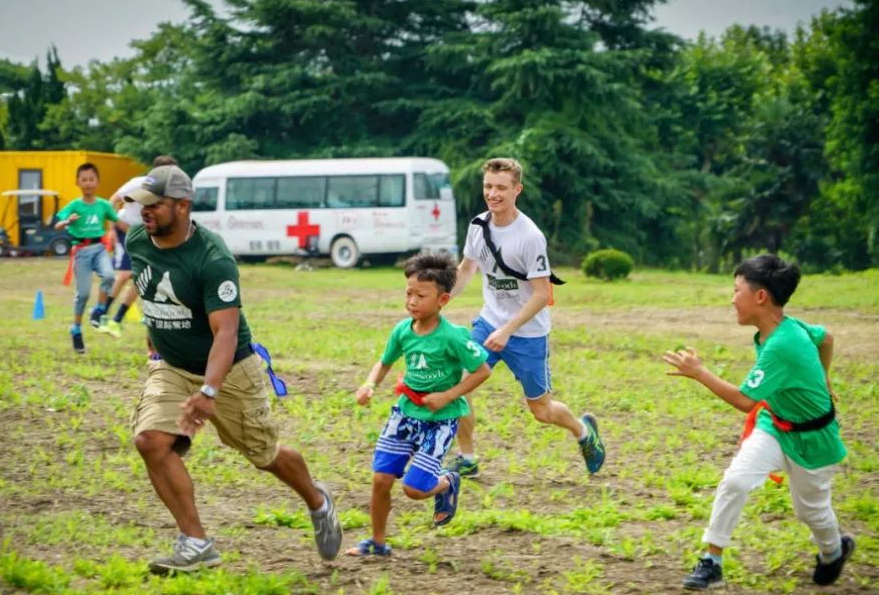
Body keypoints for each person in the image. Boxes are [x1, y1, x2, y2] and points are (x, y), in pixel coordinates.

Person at [125, 164, 342, 573]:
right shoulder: (138, 238)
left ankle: (317, 500)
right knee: (150, 441)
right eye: (142, 204)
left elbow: (224, 333)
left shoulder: (212, 257)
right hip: (171, 367)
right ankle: (196, 542)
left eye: (154, 205)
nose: (144, 212)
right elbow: (148, 289)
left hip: (230, 370)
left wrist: (209, 392)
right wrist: (152, 338)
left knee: (263, 454)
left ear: (183, 206)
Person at [663, 254, 853, 591]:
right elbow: (827, 339)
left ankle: (834, 551)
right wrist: (825, 377)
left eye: (737, 290)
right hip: (775, 425)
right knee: (736, 480)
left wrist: (700, 373)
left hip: (813, 438)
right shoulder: (788, 327)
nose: (732, 299)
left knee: (811, 512)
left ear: (760, 296)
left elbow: (744, 400)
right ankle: (712, 561)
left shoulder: (783, 344)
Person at [449, 157, 605, 478]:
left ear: (517, 190)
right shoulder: (478, 226)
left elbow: (541, 294)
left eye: (501, 188)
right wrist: (440, 300)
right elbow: (465, 270)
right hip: (488, 323)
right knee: (458, 386)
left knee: (542, 411)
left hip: (527, 334)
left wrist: (508, 330)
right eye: (488, 187)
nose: (493, 194)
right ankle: (467, 458)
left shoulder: (530, 236)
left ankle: (583, 432)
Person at [345, 253, 491, 557]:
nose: (412, 301)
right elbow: (383, 364)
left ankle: (447, 482)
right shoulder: (402, 330)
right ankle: (377, 542)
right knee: (381, 479)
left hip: (440, 421)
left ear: (443, 300)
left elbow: (482, 371)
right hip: (405, 414)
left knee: (413, 489)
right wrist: (369, 385)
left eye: (421, 296)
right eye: (408, 293)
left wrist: (448, 395)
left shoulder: (452, 336)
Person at [98, 155, 180, 339]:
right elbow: (111, 201)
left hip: (145, 234)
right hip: (124, 229)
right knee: (126, 273)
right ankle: (102, 311)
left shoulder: (169, 192)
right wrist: (114, 226)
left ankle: (116, 319)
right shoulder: (138, 184)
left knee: (142, 278)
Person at [54, 162, 119, 354]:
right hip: (81, 251)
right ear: (78, 182)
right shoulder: (74, 205)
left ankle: (98, 310)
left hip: (99, 248)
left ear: (97, 182)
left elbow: (118, 221)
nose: (88, 183)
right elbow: (58, 225)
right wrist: (68, 221)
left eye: (91, 179)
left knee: (109, 276)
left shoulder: (104, 205)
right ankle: (76, 329)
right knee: (82, 294)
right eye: (84, 179)